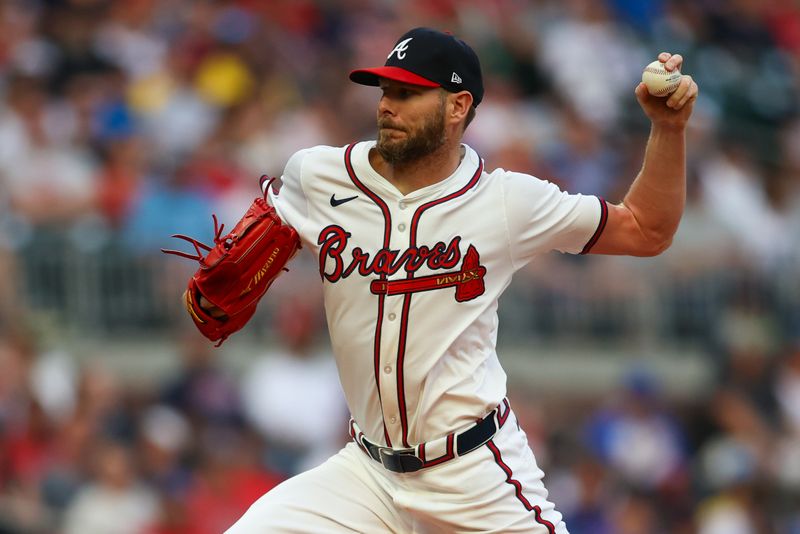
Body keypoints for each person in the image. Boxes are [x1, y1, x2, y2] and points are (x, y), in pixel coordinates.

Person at [213, 26, 698, 533]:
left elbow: (646, 229)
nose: (387, 106)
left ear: (458, 106)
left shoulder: (507, 202)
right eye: (385, 91)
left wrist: (668, 130)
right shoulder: (318, 176)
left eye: (408, 93)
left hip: (470, 472)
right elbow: (245, 249)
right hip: (366, 473)